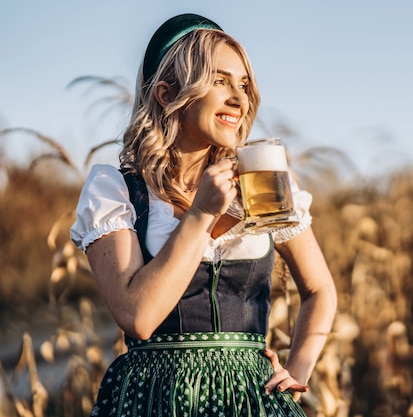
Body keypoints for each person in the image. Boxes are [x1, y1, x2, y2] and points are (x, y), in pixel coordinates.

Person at [70, 12, 337, 417]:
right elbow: (138, 317)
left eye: (243, 84)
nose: (239, 98)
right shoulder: (118, 191)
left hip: (254, 401)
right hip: (157, 400)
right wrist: (202, 212)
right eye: (219, 80)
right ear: (166, 93)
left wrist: (297, 372)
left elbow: (320, 290)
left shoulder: (263, 182)